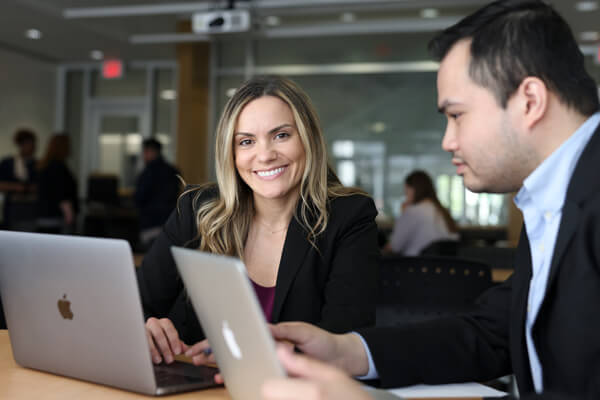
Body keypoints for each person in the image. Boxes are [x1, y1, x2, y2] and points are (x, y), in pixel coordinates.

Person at [261, 1, 600, 399]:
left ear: (530, 101)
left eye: (456, 115)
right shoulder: (554, 195)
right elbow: (494, 333)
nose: (447, 141)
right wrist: (347, 351)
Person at [136, 76, 379, 366]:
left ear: (308, 138)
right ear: (232, 153)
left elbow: (343, 343)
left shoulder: (349, 217)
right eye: (247, 141)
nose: (264, 155)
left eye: (281, 135)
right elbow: (137, 305)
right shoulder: (197, 210)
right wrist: (145, 327)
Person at [384, 170, 458, 255]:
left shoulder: (413, 211)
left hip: (416, 265)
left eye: (406, 191)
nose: (405, 196)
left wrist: (403, 214)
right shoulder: (441, 210)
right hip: (445, 266)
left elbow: (394, 247)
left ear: (413, 190)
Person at [134, 138, 181, 248]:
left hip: (150, 223)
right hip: (170, 223)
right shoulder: (173, 171)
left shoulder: (148, 173)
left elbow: (139, 197)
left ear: (150, 152)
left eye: (145, 152)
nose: (143, 156)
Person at [36, 133, 78, 233]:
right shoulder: (57, 167)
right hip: (56, 216)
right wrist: (69, 214)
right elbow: (61, 193)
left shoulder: (45, 165)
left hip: (44, 214)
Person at [0, 128, 38, 229]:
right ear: (20, 144)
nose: (32, 147)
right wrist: (22, 188)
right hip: (13, 208)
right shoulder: (8, 162)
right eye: (28, 143)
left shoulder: (38, 164)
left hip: (31, 209)